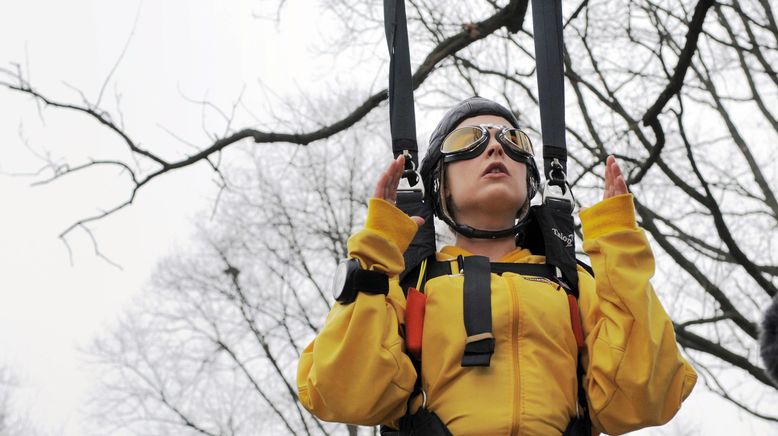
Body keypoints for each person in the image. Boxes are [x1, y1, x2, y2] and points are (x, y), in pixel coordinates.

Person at [297, 97, 697, 435]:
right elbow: (339, 392)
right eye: (470, 140)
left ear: (530, 181)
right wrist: (374, 255)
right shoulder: (406, 283)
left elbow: (644, 399)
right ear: (440, 184)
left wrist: (619, 249)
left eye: (512, 140)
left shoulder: (574, 283)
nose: (495, 148)